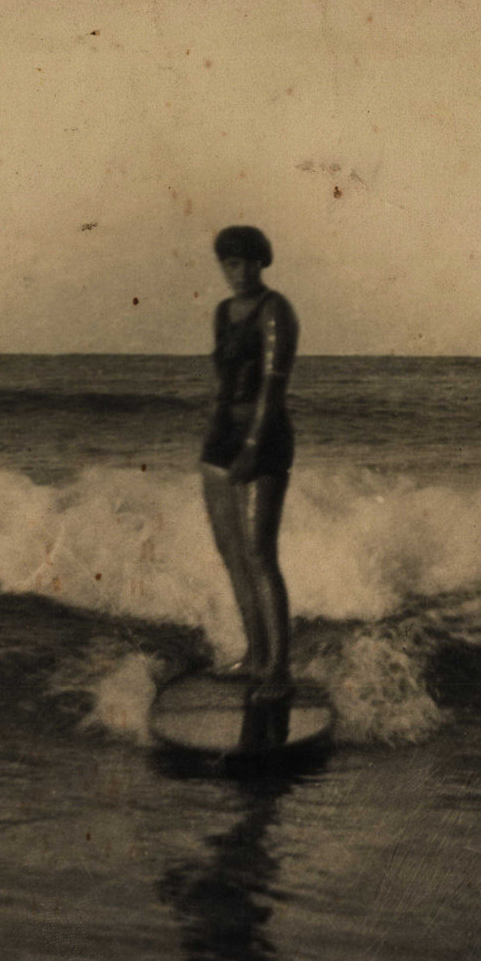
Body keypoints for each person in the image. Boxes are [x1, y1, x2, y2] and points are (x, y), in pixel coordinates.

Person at [200, 226, 299, 701]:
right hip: (222, 437)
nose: (236, 273)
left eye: (244, 263)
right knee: (232, 553)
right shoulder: (222, 312)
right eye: (228, 264)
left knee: (260, 554)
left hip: (265, 437)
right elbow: (223, 384)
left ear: (261, 263)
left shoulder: (275, 309)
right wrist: (216, 441)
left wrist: (252, 447)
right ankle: (254, 656)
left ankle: (278, 669)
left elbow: (272, 387)